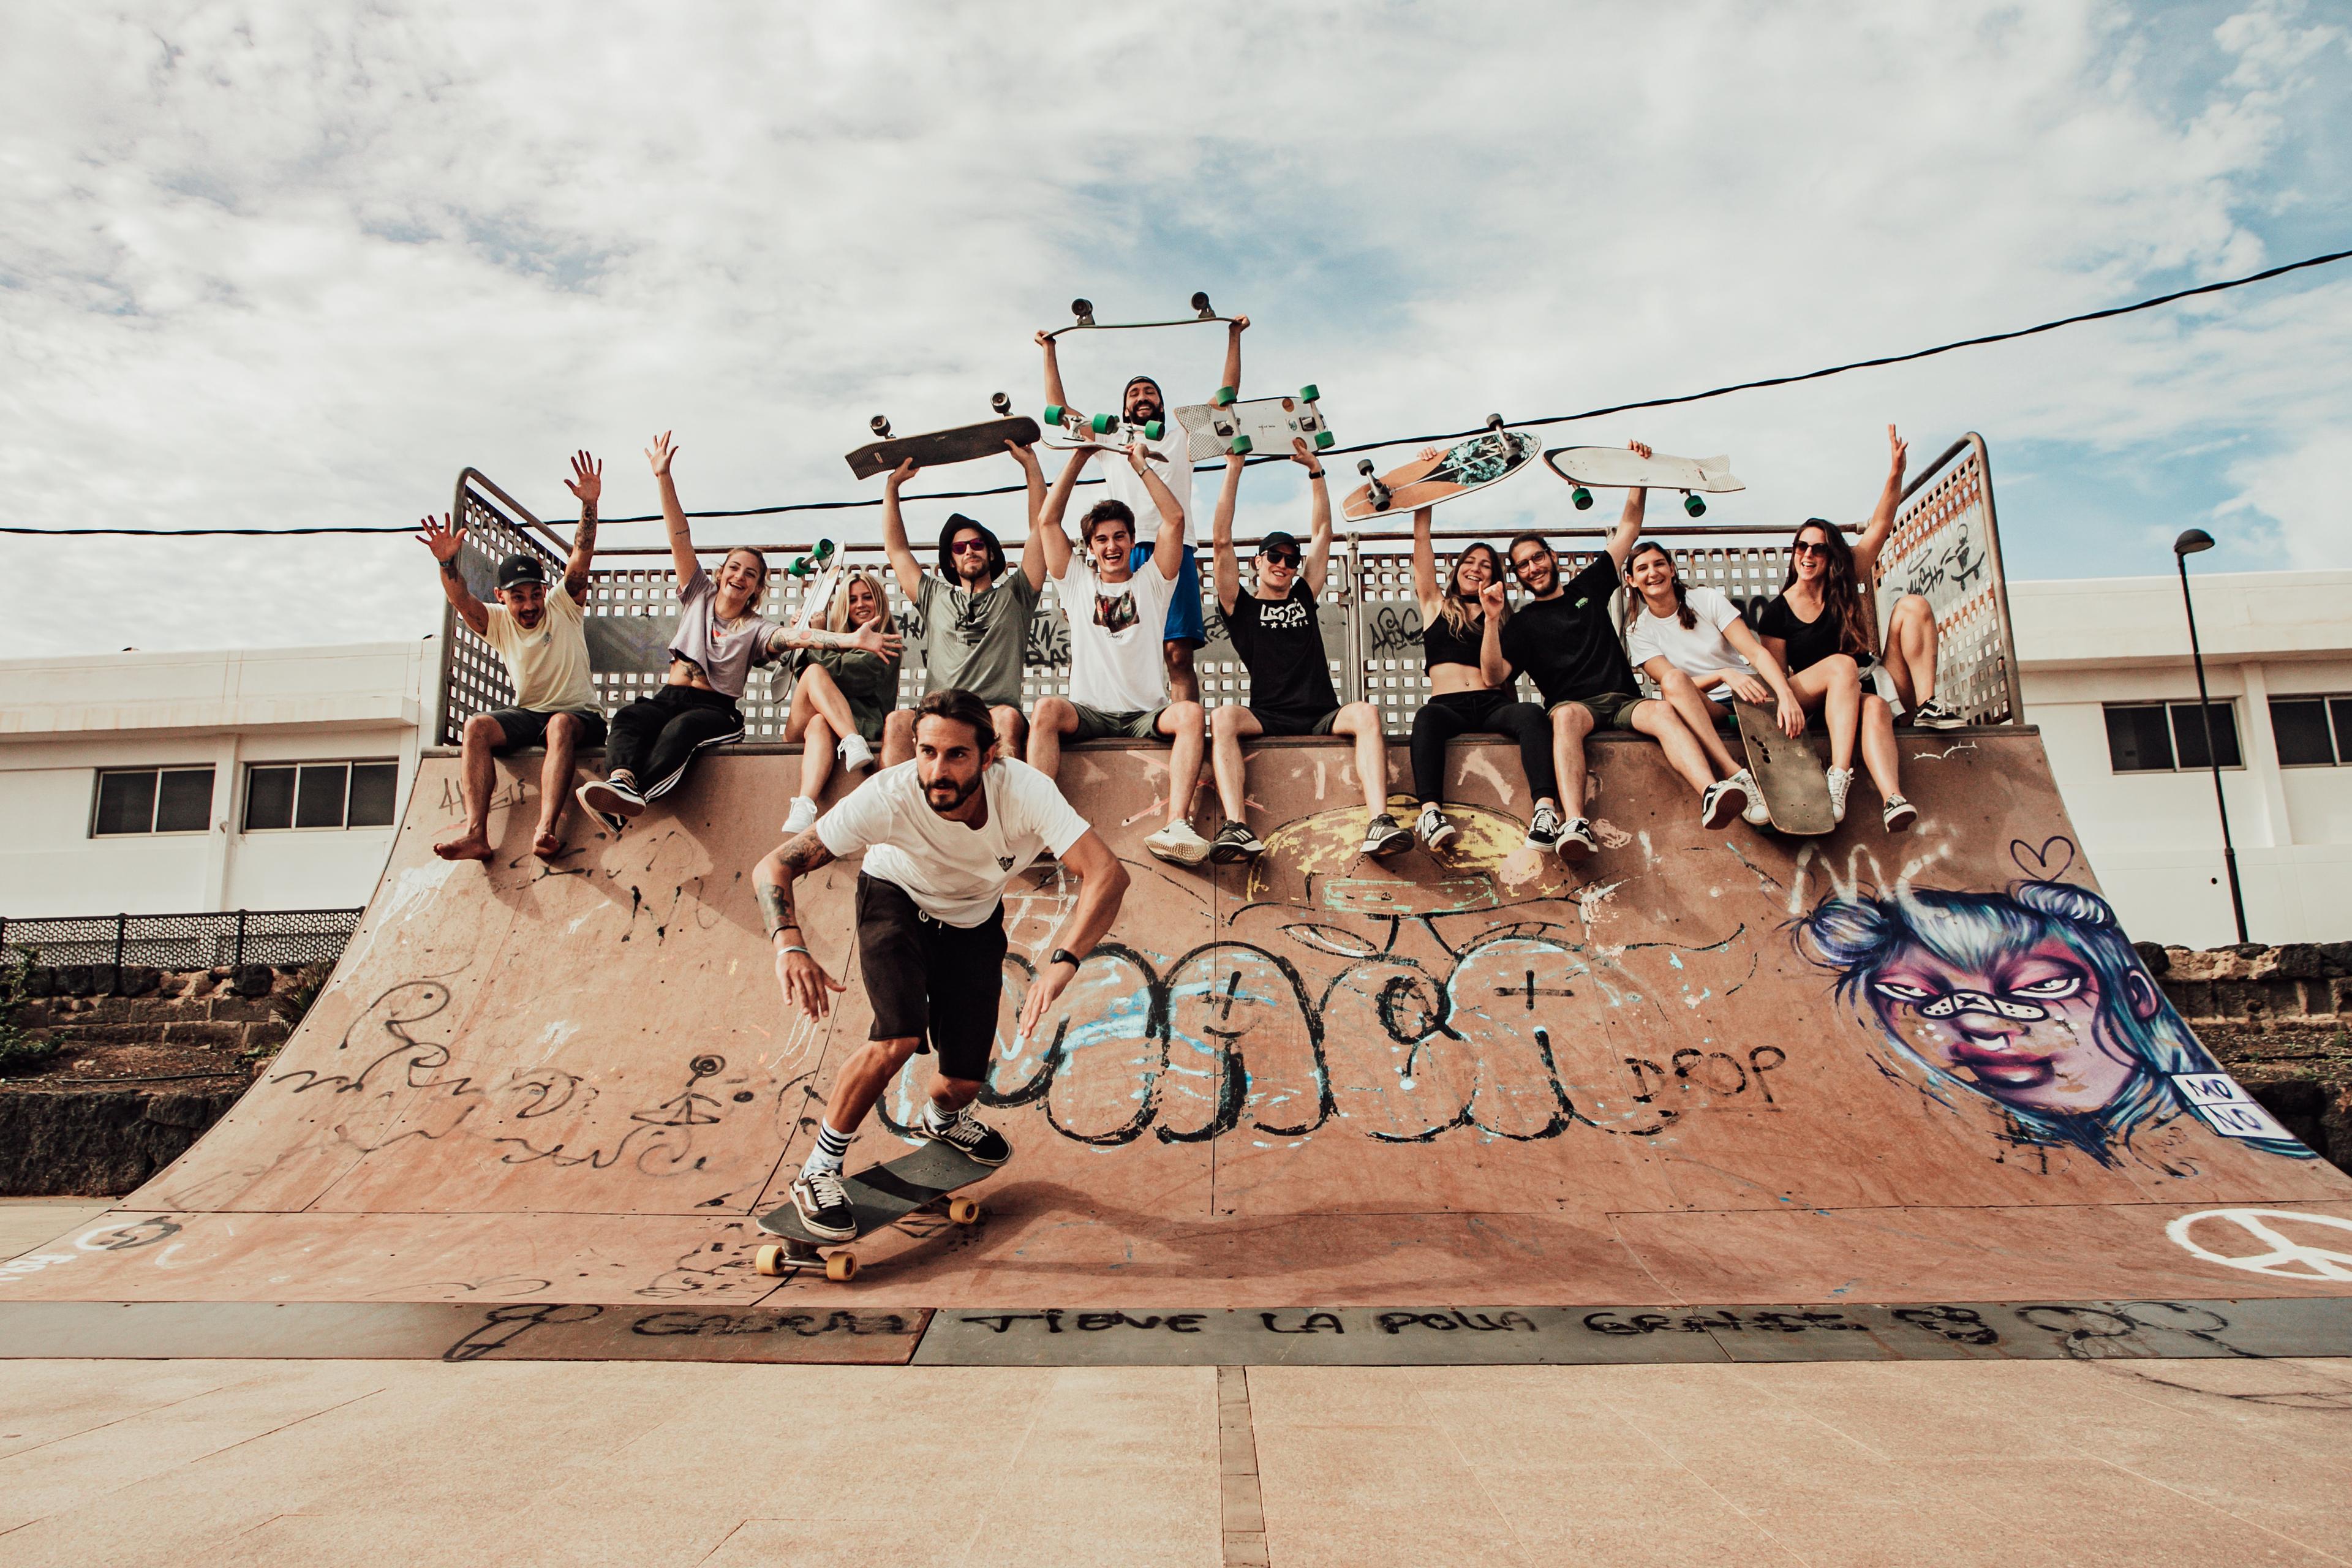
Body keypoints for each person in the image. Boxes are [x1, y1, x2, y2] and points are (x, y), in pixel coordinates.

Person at [755, 687, 1131, 1242]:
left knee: (961, 1081)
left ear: (989, 756)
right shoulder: (888, 795)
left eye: (957, 755)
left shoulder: (1027, 792)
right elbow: (774, 867)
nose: (938, 771)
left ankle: (945, 1122)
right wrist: (789, 943)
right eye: (928, 753)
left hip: (973, 923)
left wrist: (1063, 962)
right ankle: (819, 1171)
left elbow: (1107, 874)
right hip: (895, 898)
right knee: (897, 1038)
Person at [578, 432, 899, 828]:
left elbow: (798, 638)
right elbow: (680, 535)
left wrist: (850, 639)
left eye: (751, 574)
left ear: (757, 588)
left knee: (681, 731)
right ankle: (622, 783)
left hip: (714, 712)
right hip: (668, 695)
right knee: (629, 716)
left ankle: (634, 793)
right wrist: (663, 477)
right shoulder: (697, 593)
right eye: (734, 568)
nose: (740, 577)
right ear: (721, 573)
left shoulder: (757, 629)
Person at [1485, 441, 1750, 858]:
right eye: (1523, 565)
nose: (1533, 567)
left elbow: (1629, 527)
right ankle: (1575, 822)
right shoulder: (1521, 624)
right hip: (1576, 707)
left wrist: (1638, 474)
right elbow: (1495, 676)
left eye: (1538, 557)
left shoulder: (1586, 588)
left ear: (1553, 557)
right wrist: (1490, 619)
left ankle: (1711, 791)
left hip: (1625, 701)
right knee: (1567, 716)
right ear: (1517, 574)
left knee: (1663, 710)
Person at [1205, 441, 1412, 861]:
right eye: (1275, 558)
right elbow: (1221, 541)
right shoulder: (1240, 607)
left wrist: (1317, 473)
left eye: (1291, 559)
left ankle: (1379, 822)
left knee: (1367, 713)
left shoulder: (1302, 595)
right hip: (1267, 714)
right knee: (1223, 716)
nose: (1285, 565)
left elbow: (1323, 535)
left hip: (1320, 712)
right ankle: (1236, 826)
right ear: (1257, 563)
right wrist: (1234, 469)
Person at [1038, 314, 1248, 706]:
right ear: (1125, 407)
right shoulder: (1110, 439)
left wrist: (1233, 336)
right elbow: (1059, 409)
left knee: (1177, 654)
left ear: (1162, 404)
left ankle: (1186, 731)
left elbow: (1226, 396)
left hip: (1173, 545)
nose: (1142, 397)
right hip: (1123, 548)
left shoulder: (1181, 435)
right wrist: (1049, 350)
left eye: (1149, 392)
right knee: (1115, 641)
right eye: (1134, 394)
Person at [1752, 428, 1953, 832]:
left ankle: (1894, 795)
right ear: (1795, 552)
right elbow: (1777, 681)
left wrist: (1895, 472)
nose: (1809, 555)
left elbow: (1880, 524)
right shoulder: (1777, 613)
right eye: (1802, 547)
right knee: (1841, 667)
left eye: (1819, 548)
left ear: (1831, 556)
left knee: (1911, 610)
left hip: (1873, 684)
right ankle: (1838, 777)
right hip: (1820, 697)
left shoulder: (1846, 580)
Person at [415, 450, 609, 863]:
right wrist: (448, 562)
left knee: (559, 724)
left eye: (534, 595)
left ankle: (545, 830)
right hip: (530, 715)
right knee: (477, 727)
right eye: (518, 598)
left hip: (581, 717)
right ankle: (475, 834)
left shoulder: (563, 605)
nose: (529, 606)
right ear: (502, 597)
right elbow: (462, 599)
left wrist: (589, 505)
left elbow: (581, 556)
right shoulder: (498, 620)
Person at [1028, 444, 1213, 865]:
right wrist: (1080, 456)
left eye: (1119, 537)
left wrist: (1141, 466)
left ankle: (1177, 824)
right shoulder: (1075, 583)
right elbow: (1047, 520)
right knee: (1046, 711)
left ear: (1132, 541)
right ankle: (1041, 825)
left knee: (1190, 714)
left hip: (1145, 714)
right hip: (1090, 712)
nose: (1111, 546)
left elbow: (1175, 520)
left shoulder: (1153, 582)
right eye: (1101, 540)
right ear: (1090, 548)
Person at [876, 442, 1047, 768]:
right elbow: (896, 550)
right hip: (939, 712)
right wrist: (892, 486)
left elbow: (1041, 529)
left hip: (991, 711)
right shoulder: (935, 597)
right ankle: (896, 815)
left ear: (991, 553)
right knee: (898, 722)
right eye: (959, 548)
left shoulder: (1017, 595)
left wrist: (1030, 466)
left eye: (977, 544)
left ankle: (1007, 813)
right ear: (951, 562)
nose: (969, 551)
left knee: (1008, 719)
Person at [1403, 503, 1555, 851]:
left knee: (1531, 714)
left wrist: (1490, 618)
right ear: (1457, 570)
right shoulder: (1435, 605)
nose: (1476, 569)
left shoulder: (1505, 621)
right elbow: (1421, 540)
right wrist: (1426, 495)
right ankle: (1430, 813)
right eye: (1469, 562)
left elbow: (1493, 677)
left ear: (1495, 578)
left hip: (1491, 704)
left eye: (1485, 565)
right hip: (1447, 704)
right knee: (1426, 719)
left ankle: (1545, 811)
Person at [1621, 540, 1795, 829]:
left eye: (1659, 564)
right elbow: (1671, 683)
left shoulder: (1706, 600)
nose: (1653, 573)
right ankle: (1734, 774)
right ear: (1631, 580)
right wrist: (1723, 674)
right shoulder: (1639, 631)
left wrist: (1785, 694)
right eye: (1642, 568)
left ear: (1672, 569)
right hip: (1709, 707)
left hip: (1748, 695)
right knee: (1674, 680)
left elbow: (1754, 652)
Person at [778, 569, 902, 836]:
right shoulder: (837, 640)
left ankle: (805, 804)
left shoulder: (887, 643)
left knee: (820, 718)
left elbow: (846, 676)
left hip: (855, 726)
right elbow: (803, 675)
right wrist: (807, 635)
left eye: (867, 597)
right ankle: (851, 739)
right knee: (813, 675)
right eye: (854, 599)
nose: (861, 605)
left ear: (879, 601)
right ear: (845, 605)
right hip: (813, 732)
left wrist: (816, 638)